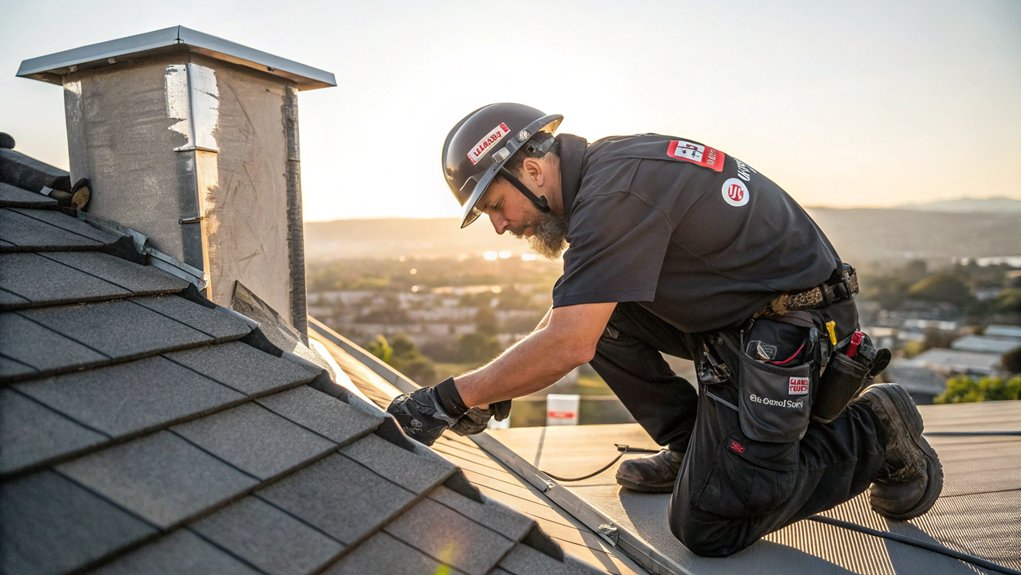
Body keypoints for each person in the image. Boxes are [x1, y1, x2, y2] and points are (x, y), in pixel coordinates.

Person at [387, 103, 943, 557]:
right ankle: (694, 443)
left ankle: (875, 427)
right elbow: (576, 322)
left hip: (793, 330)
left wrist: (444, 400)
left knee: (709, 523)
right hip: (742, 320)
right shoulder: (606, 176)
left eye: (495, 205)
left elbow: (567, 343)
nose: (501, 225)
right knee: (601, 320)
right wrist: (498, 385)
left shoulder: (615, 194)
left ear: (531, 170)